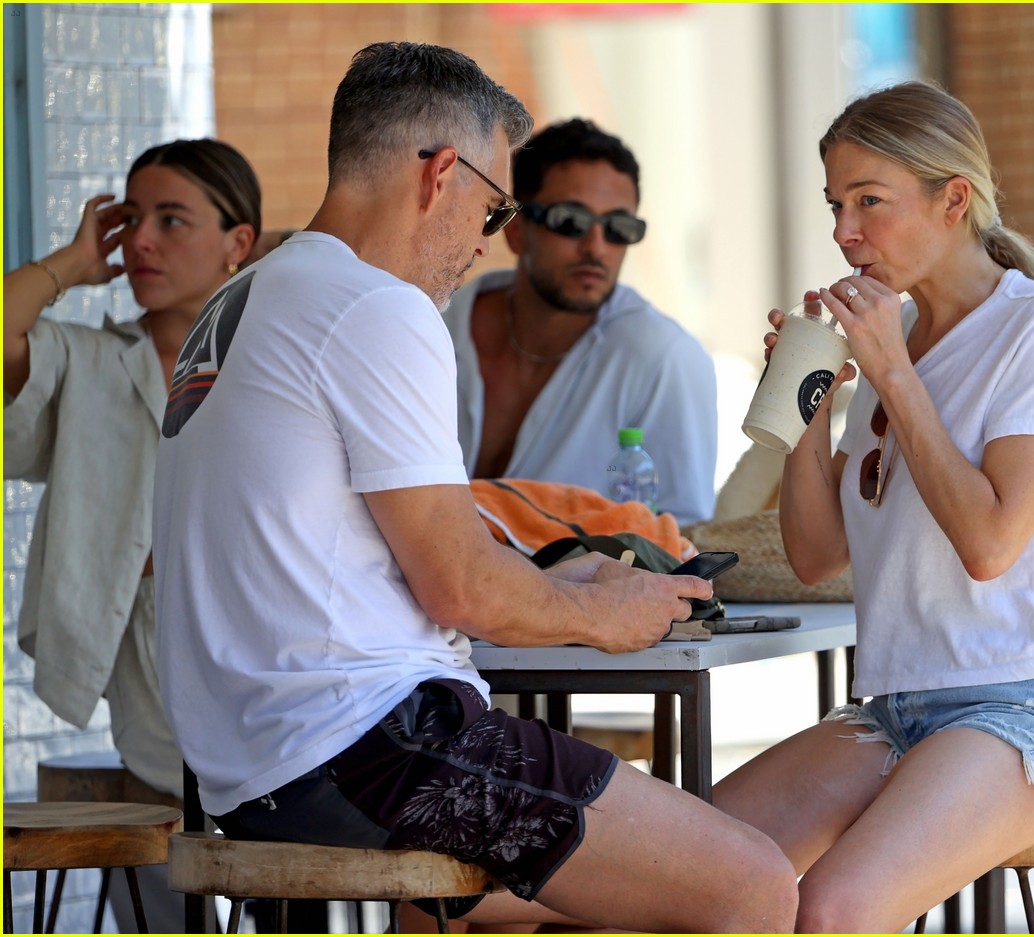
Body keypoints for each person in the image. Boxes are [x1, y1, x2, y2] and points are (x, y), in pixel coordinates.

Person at [151, 41, 796, 934]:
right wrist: (611, 614)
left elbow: (342, 551)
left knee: (577, 898)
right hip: (375, 750)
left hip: (252, 769)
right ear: (441, 174)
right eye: (493, 207)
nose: (485, 240)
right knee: (750, 883)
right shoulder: (376, 304)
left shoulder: (252, 293)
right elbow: (460, 586)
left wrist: (564, 581)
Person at [712, 80, 1034, 933]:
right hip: (894, 707)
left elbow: (989, 544)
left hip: (1029, 703)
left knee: (829, 909)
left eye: (870, 200)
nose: (844, 231)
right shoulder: (891, 338)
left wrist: (893, 374)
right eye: (835, 204)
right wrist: (812, 408)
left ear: (954, 201)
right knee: (701, 873)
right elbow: (816, 557)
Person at [4, 138, 260, 931]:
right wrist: (67, 266)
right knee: (163, 844)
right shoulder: (90, 359)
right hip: (142, 655)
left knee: (280, 852)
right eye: (131, 218)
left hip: (262, 642)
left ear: (237, 243)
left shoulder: (274, 357)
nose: (141, 240)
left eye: (172, 219)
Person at [443, 118, 717, 526]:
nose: (596, 248)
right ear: (515, 230)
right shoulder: (436, 325)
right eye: (570, 221)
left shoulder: (665, 359)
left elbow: (683, 536)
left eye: (618, 228)